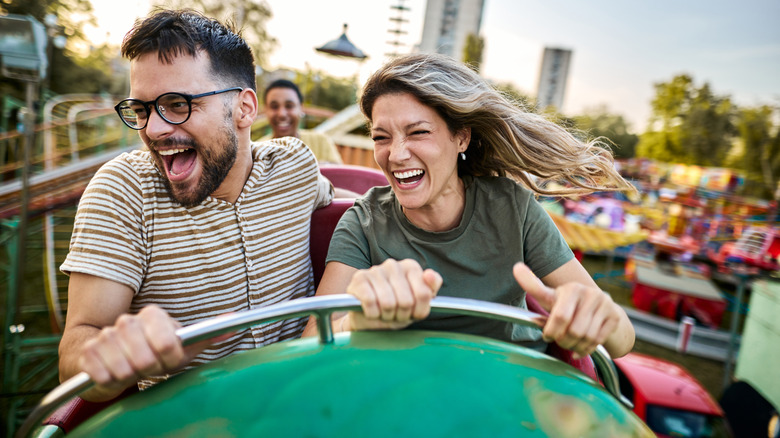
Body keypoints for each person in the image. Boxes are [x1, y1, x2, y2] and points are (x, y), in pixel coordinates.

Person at [58, 9, 333, 402]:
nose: (153, 129)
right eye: (141, 110)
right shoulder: (123, 192)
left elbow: (356, 205)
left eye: (177, 104)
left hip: (302, 404)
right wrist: (118, 356)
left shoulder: (295, 166)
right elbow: (74, 354)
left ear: (245, 108)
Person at [303, 53, 635, 361]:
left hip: (507, 385)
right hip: (405, 391)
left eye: (418, 132)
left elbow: (622, 341)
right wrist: (358, 320)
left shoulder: (513, 209)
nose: (397, 154)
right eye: (381, 138)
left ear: (461, 137)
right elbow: (309, 346)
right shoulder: (362, 223)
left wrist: (596, 319)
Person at [261, 79, 344, 164]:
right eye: (274, 107)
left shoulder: (320, 141)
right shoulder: (258, 150)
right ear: (266, 110)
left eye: (289, 106)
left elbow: (338, 173)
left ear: (301, 108)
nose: (282, 114)